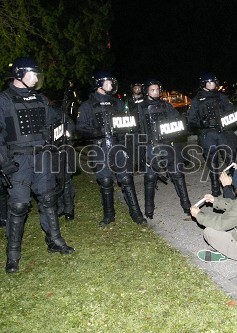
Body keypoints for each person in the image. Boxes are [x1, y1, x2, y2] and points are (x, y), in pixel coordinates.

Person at [0, 57, 75, 273]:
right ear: (19, 75)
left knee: (49, 200)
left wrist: (67, 126)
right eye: (32, 74)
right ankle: (13, 255)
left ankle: (55, 240)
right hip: (19, 161)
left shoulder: (41, 99)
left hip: (42, 158)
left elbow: (56, 120)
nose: (36, 78)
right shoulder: (4, 100)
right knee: (19, 206)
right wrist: (4, 162)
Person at [76, 70, 147, 226]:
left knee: (127, 179)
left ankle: (136, 214)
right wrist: (96, 131)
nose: (112, 85)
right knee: (106, 181)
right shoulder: (87, 105)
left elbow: (129, 123)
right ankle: (109, 215)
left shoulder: (118, 103)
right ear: (98, 84)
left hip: (118, 146)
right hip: (99, 147)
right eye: (108, 82)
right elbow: (80, 128)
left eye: (112, 81)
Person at [137, 79, 191, 217]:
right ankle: (149, 210)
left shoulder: (166, 105)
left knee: (177, 174)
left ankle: (187, 206)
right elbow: (136, 129)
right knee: (150, 177)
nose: (155, 92)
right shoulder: (139, 107)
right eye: (152, 90)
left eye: (157, 89)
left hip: (167, 144)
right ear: (147, 91)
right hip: (150, 145)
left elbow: (177, 122)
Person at [187, 73, 237, 196]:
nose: (212, 85)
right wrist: (201, 123)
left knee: (231, 160)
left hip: (223, 132)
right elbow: (191, 120)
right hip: (207, 134)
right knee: (213, 163)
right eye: (209, 82)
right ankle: (215, 190)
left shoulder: (221, 96)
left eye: (213, 82)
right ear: (203, 84)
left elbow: (230, 111)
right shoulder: (197, 100)